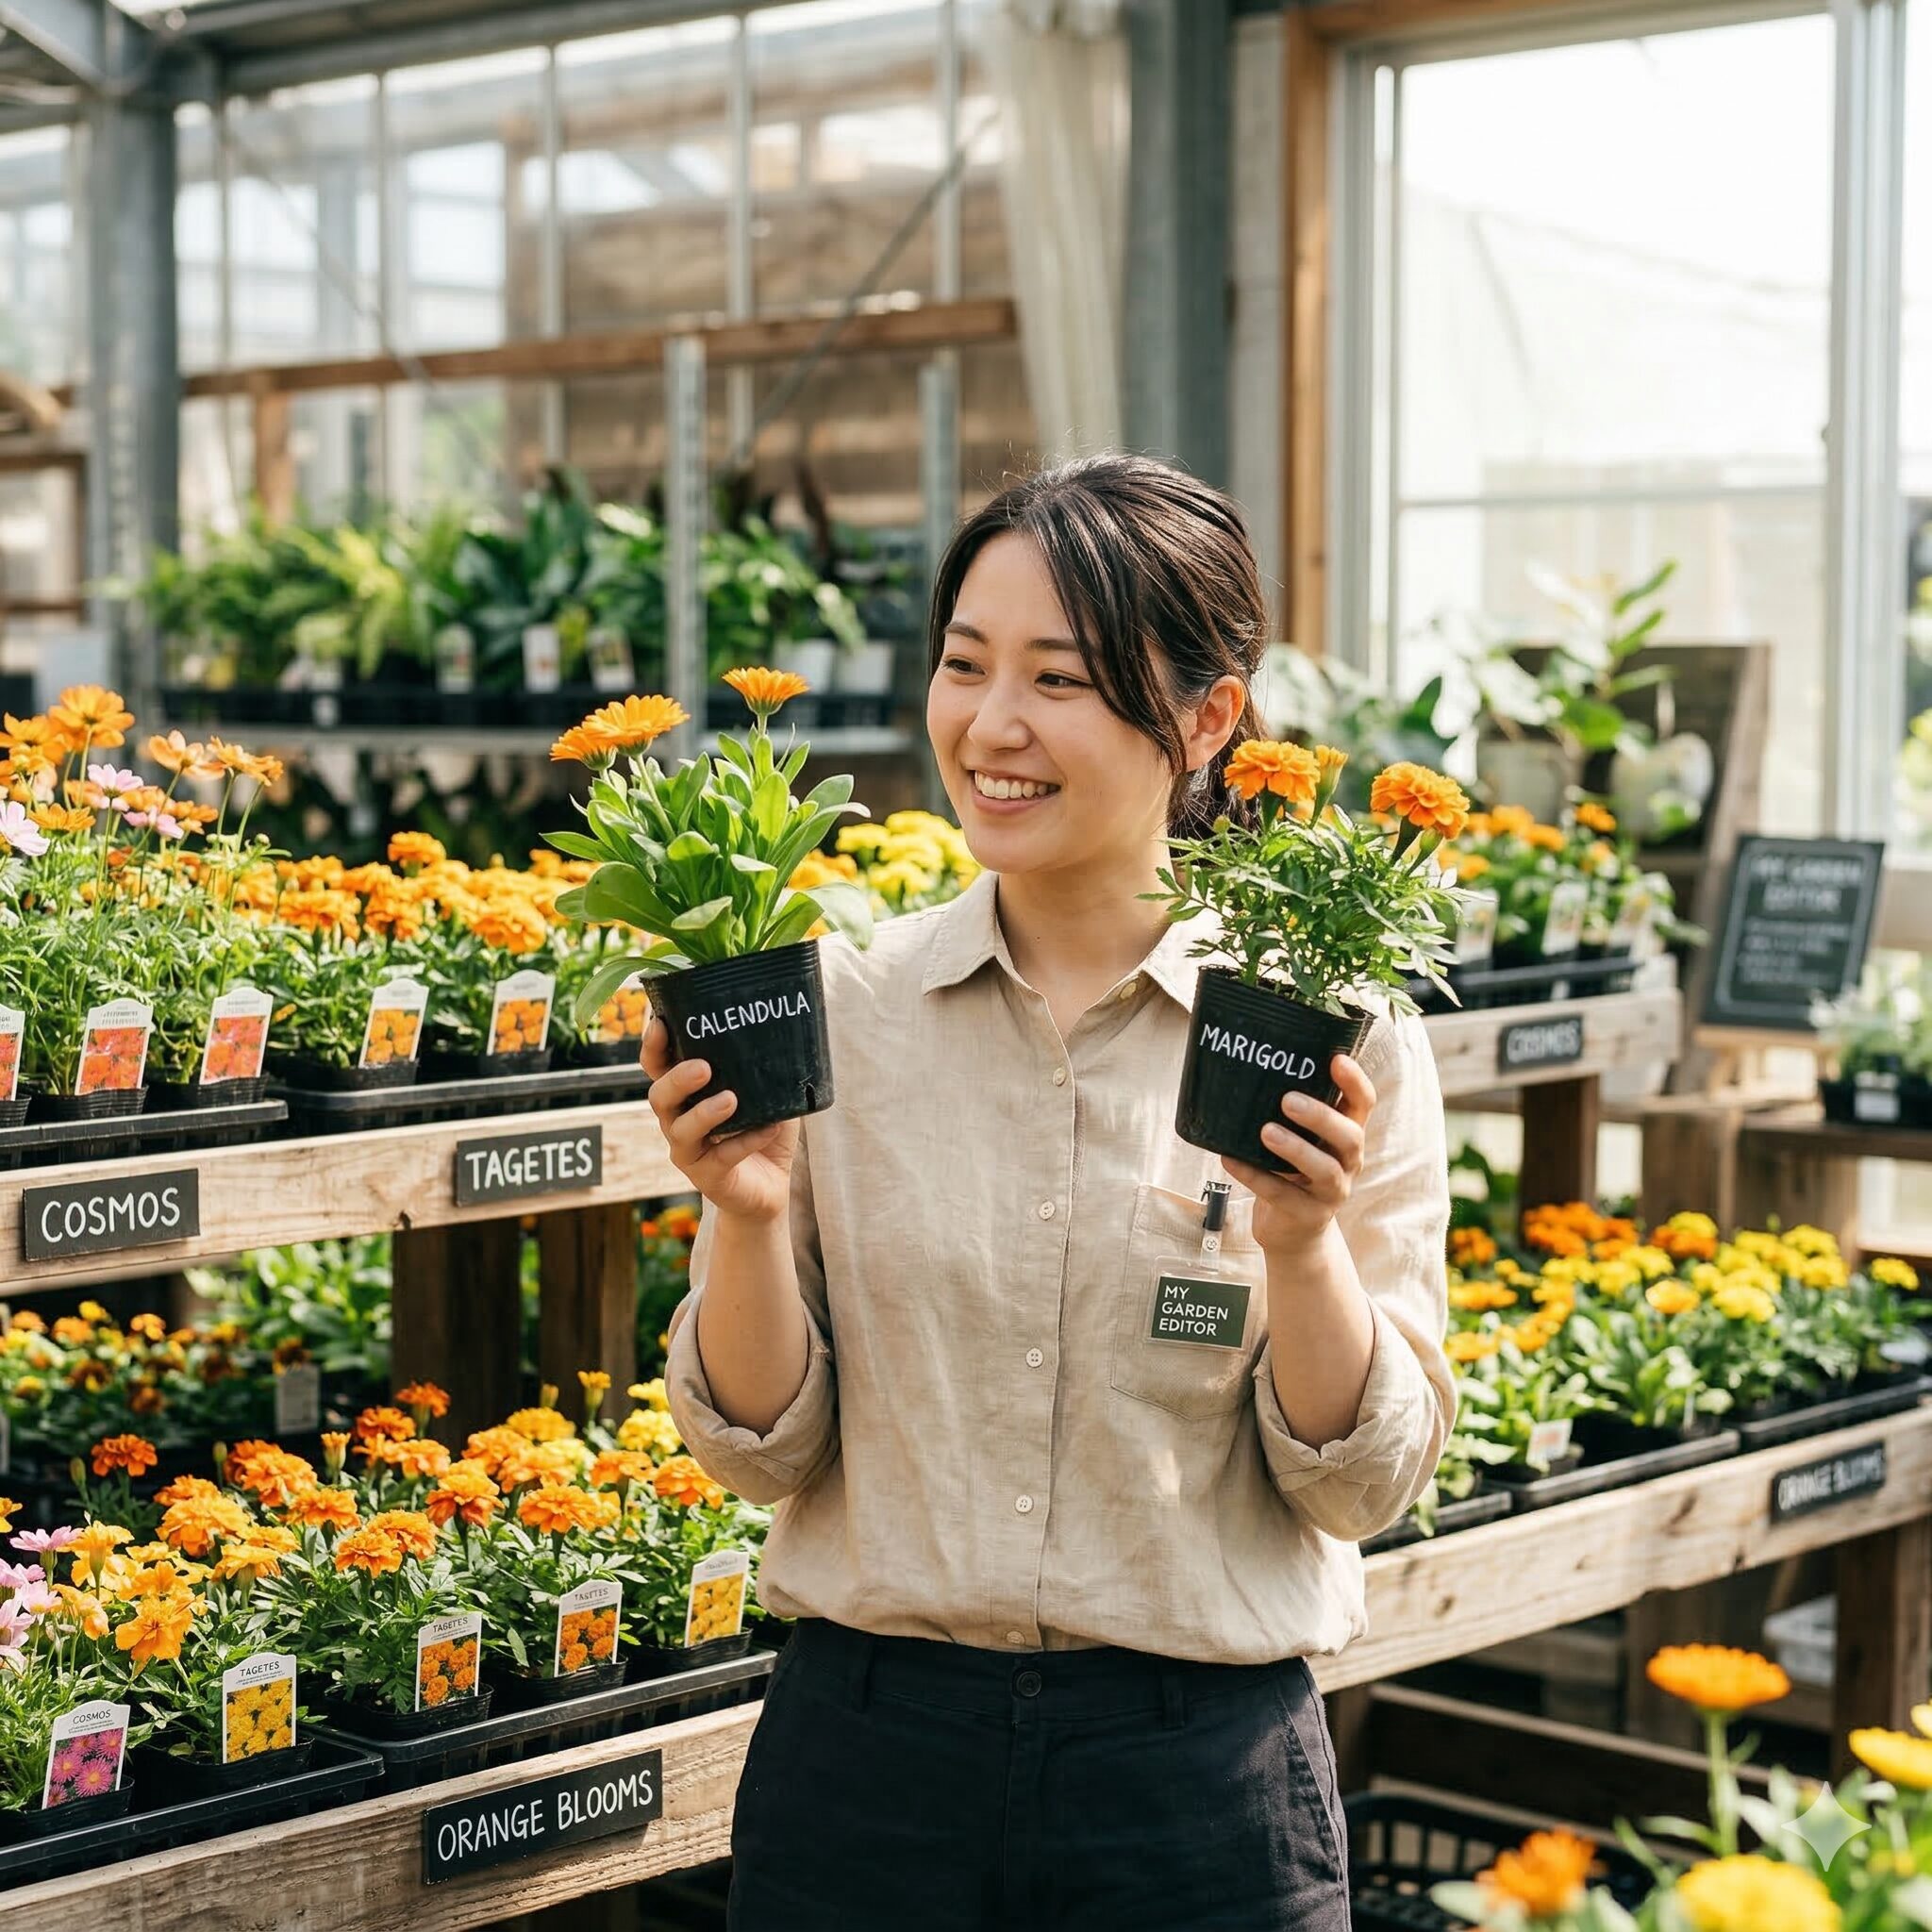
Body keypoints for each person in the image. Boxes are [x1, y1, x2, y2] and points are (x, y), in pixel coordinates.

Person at [651, 452, 1454, 1931]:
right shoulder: (847, 1007)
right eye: (965, 666)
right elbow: (763, 1453)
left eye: (1061, 679)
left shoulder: (1325, 1035)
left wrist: (1301, 1246)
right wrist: (745, 1215)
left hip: (1194, 1794)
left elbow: (1358, 1485)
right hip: (869, 1776)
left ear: (1206, 719)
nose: (992, 725)